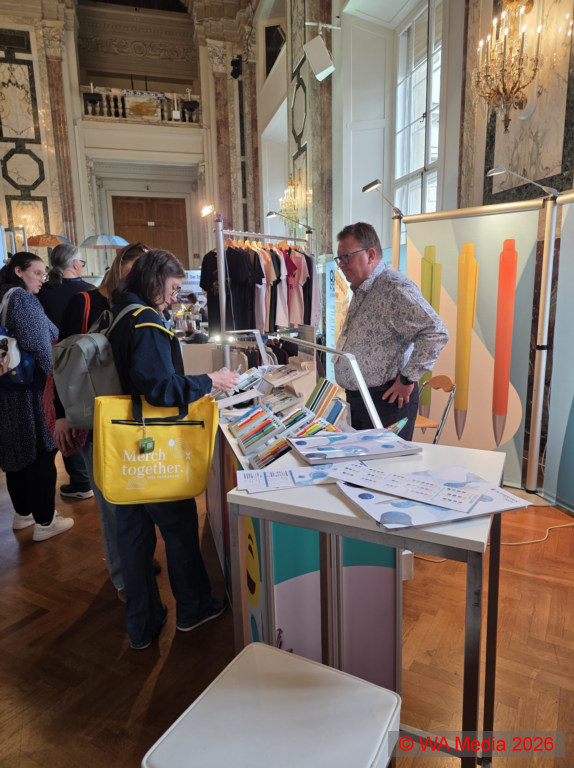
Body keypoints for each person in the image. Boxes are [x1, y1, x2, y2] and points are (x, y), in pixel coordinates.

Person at [107, 249, 239, 650]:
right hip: (153, 445)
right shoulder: (146, 320)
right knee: (179, 527)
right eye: (173, 286)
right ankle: (194, 608)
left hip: (123, 446)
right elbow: (161, 389)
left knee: (134, 540)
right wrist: (211, 380)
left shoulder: (119, 313)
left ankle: (142, 627)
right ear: (154, 278)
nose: (175, 296)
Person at [54, 242, 149, 601]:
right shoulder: (86, 302)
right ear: (119, 265)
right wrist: (62, 414)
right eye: (135, 268)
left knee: (136, 498)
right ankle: (123, 576)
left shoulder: (139, 304)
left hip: (130, 417)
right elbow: (64, 360)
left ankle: (137, 562)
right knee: (111, 505)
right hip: (95, 417)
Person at [333, 222, 449, 440]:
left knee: (386, 461)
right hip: (362, 401)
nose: (341, 265)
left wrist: (407, 379)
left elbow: (435, 332)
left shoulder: (393, 287)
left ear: (370, 255)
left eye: (346, 257)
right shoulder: (364, 289)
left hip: (386, 401)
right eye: (339, 259)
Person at [0, 252, 74, 540]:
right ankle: (45, 521)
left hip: (7, 387)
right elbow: (41, 347)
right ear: (19, 271)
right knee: (42, 452)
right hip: (31, 390)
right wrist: (58, 382)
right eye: (37, 273)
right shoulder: (23, 299)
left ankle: (24, 514)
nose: (42, 279)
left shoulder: (4, 296)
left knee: (15, 451)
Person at [38, 243, 95, 499]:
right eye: (81, 261)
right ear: (74, 264)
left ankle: (79, 479)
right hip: (88, 360)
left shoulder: (43, 292)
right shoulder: (89, 292)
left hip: (54, 361)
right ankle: (91, 476)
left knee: (63, 414)